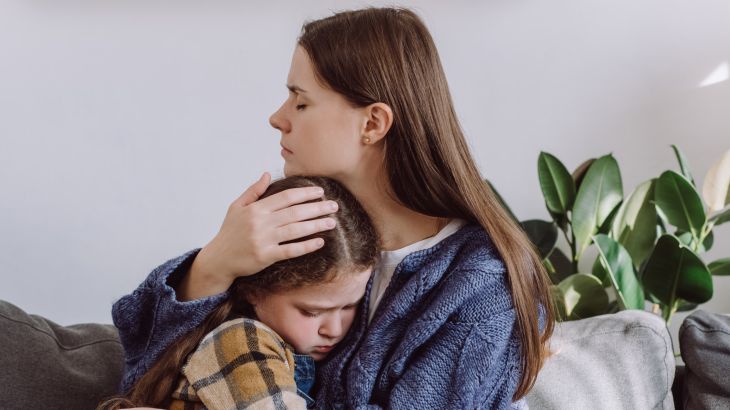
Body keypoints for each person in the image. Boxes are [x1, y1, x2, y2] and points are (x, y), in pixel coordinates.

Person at [115, 6, 555, 410]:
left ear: (373, 123)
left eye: (300, 100)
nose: (278, 117)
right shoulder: (300, 225)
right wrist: (212, 267)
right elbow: (142, 378)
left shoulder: (483, 290)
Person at [101, 176, 377, 410]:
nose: (334, 329)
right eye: (312, 312)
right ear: (252, 292)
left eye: (349, 306)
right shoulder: (240, 342)